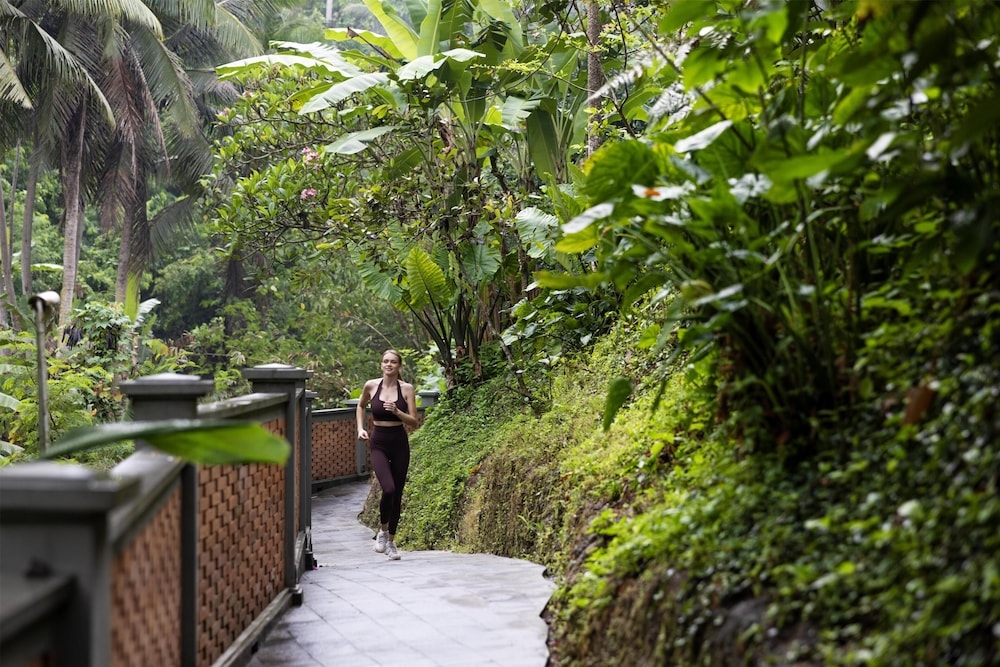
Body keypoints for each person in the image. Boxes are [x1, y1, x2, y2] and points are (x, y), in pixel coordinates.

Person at [356, 349, 419, 560]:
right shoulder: (371, 386)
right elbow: (360, 405)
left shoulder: (407, 389)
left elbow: (413, 421)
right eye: (385, 361)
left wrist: (397, 412)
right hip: (379, 442)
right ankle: (382, 532)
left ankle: (391, 542)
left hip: (399, 442)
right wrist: (360, 428)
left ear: (399, 366)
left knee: (397, 492)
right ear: (381, 364)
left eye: (393, 362)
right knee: (389, 488)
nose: (389, 365)